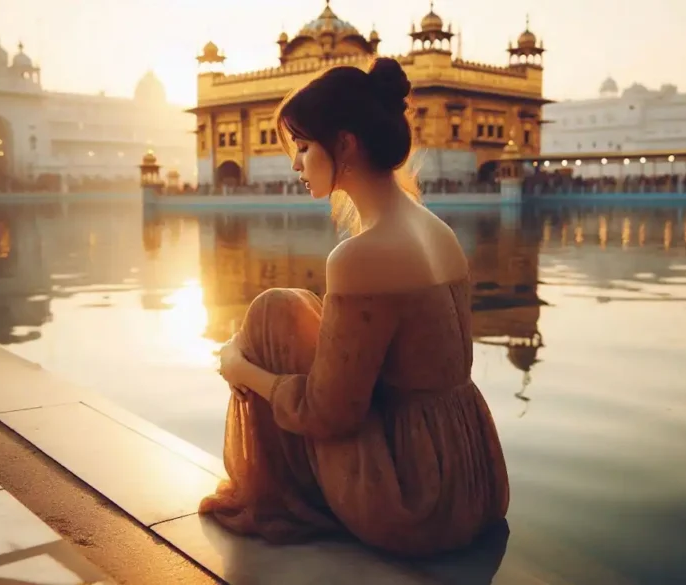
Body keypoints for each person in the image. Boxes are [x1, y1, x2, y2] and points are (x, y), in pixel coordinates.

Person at [202, 57, 509, 557]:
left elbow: (329, 417)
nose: (295, 163)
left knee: (264, 318)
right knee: (287, 307)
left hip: (412, 504)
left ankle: (275, 493)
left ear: (344, 144)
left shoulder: (360, 256)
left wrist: (239, 366)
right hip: (475, 483)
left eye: (303, 147)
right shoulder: (438, 232)